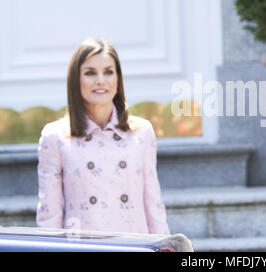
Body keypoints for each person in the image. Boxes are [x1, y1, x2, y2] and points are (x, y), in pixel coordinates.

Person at [36, 39, 170, 235]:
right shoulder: (55, 137)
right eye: (90, 73)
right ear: (76, 80)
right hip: (83, 247)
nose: (101, 80)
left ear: (118, 79)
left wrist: (167, 246)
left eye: (108, 71)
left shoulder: (142, 132)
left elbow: (153, 205)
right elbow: (49, 214)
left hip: (133, 246)